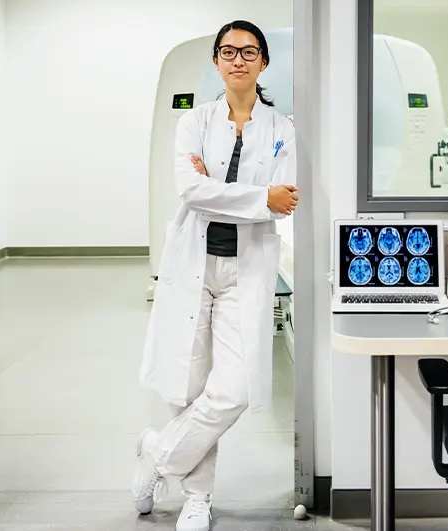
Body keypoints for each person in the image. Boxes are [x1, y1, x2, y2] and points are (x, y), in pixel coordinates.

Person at [133, 20, 297, 531]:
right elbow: (190, 190)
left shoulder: (281, 128)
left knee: (234, 390)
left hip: (244, 271)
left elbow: (283, 200)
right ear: (216, 62)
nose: (237, 60)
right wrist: (255, 198)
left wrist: (228, 193)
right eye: (228, 51)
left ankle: (157, 454)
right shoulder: (195, 122)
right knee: (190, 384)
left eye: (248, 52)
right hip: (194, 265)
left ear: (263, 62)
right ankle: (197, 499)